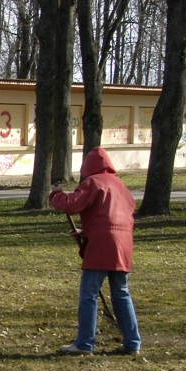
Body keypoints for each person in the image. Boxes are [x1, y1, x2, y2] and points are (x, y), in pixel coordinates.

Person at [49, 146, 142, 355]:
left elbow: (71, 204)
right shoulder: (120, 186)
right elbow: (114, 218)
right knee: (121, 293)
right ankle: (132, 342)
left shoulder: (93, 182)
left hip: (102, 246)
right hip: (123, 243)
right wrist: (86, 231)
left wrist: (56, 194)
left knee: (89, 293)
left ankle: (84, 343)